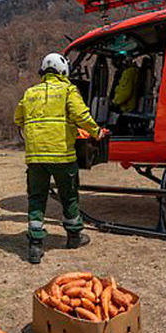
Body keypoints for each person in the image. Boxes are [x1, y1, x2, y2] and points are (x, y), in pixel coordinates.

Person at [14, 52, 106, 264]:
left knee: (36, 198)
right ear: (63, 70)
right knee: (69, 196)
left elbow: (17, 118)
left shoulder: (29, 93)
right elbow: (81, 115)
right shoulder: (68, 90)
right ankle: (74, 236)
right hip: (63, 156)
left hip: (36, 159)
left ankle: (35, 246)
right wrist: (96, 132)